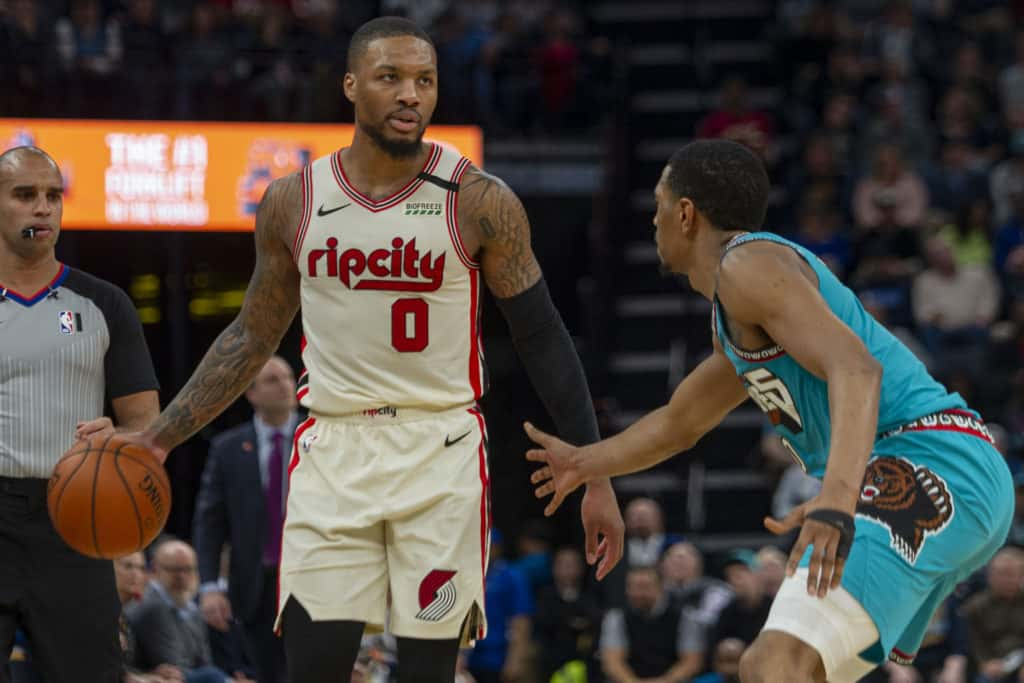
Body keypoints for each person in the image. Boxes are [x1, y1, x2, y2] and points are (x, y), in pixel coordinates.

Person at [124, 16, 623, 683]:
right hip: (334, 450)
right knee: (315, 668)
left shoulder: (479, 200)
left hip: (439, 454)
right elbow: (250, 335)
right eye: (391, 78)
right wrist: (158, 437)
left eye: (425, 80)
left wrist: (597, 468)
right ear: (352, 85)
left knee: (424, 671)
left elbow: (543, 335)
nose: (410, 95)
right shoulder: (293, 200)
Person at [525, 139, 1015, 683]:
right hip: (941, 471)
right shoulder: (738, 311)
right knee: (802, 671)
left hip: (931, 462)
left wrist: (835, 501)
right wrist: (586, 465)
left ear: (685, 213)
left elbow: (858, 371)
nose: (653, 220)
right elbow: (679, 423)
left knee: (772, 665)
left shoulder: (748, 263)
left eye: (659, 204)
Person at [0, 145, 160, 683]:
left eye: (52, 196)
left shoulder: (104, 303)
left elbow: (147, 424)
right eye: (25, 195)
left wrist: (119, 438)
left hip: (73, 518)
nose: (42, 208)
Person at [193, 356, 300, 683]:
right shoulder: (227, 449)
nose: (284, 385)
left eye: (287, 377)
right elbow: (210, 523)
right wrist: (210, 585)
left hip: (309, 578)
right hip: (254, 586)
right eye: (272, 380)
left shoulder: (321, 438)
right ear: (251, 393)